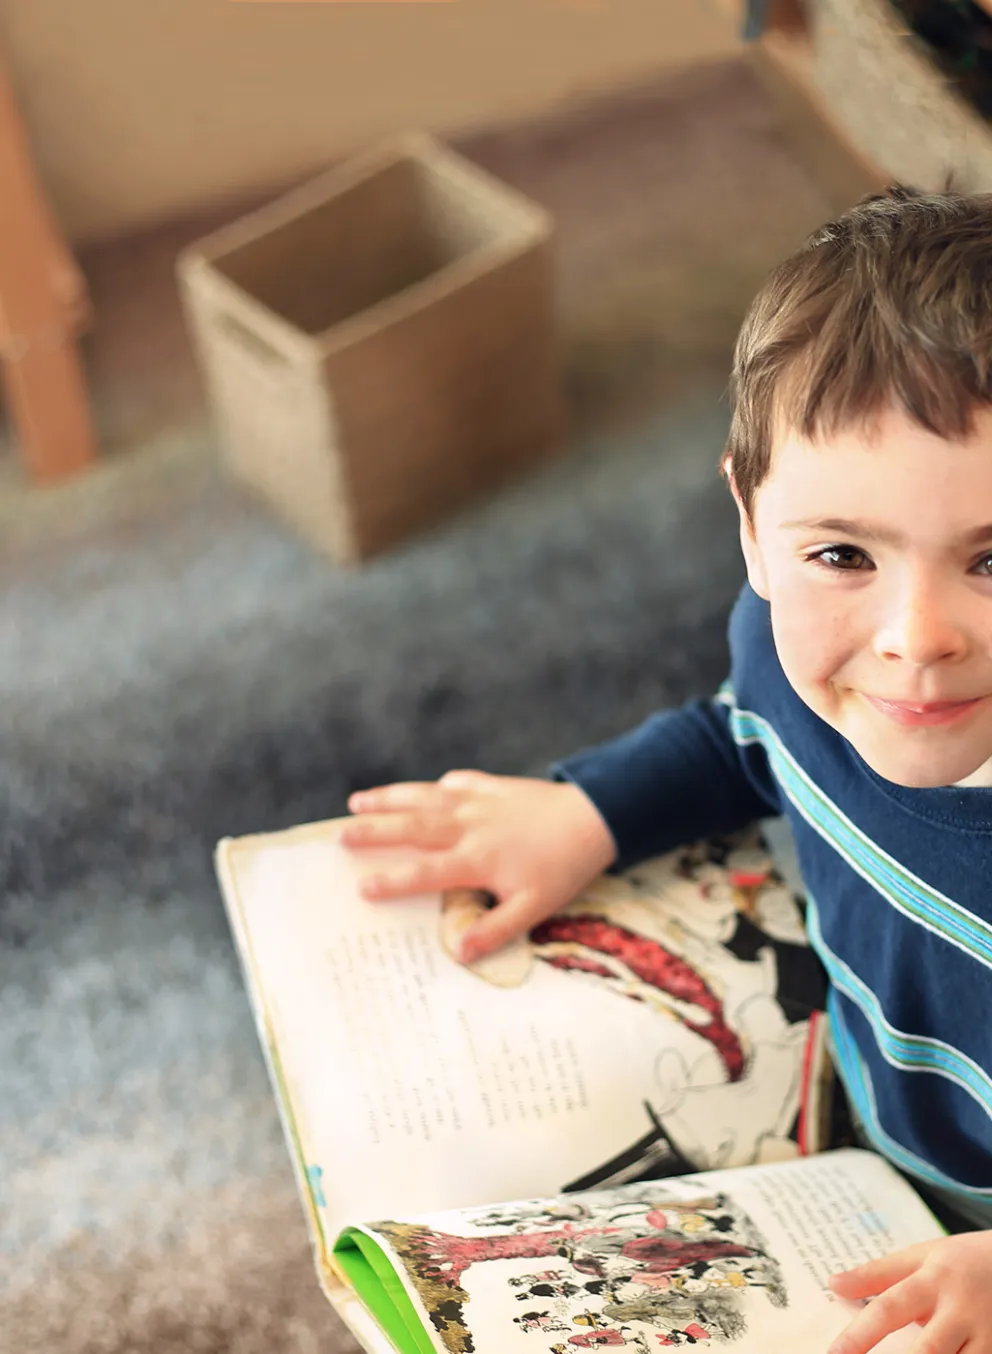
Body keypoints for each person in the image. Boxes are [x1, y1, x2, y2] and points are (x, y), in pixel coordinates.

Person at [341, 184, 992, 1354]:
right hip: (865, 1150)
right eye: (841, 553)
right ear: (750, 525)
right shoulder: (792, 654)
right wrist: (590, 809)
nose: (915, 637)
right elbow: (740, 734)